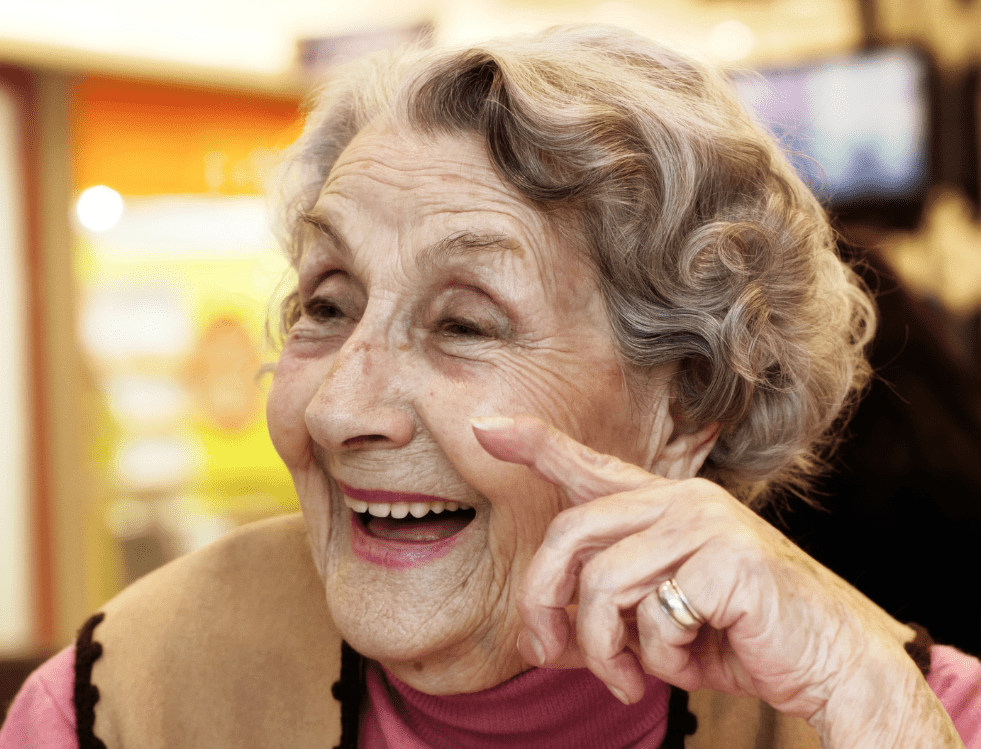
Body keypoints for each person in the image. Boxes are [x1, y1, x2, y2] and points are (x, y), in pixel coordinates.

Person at [3, 24, 980, 749]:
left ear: (687, 405)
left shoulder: (920, 711)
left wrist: (873, 707)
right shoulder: (112, 705)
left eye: (465, 323)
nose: (341, 409)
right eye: (328, 305)